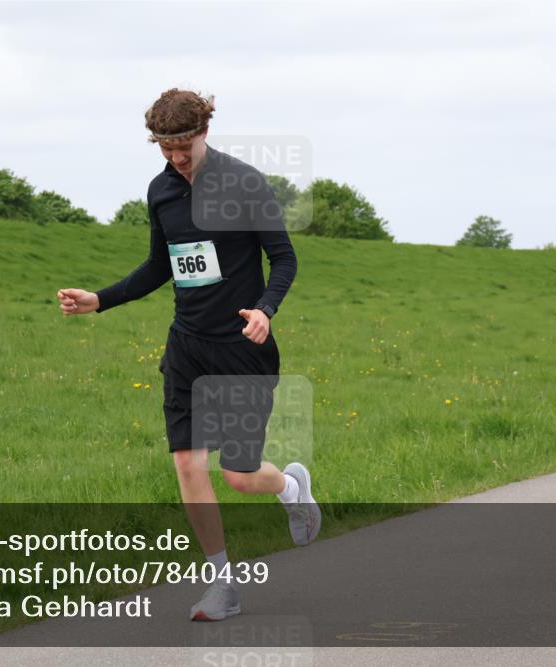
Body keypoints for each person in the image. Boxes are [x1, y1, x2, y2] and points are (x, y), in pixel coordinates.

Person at [57, 88, 320, 622]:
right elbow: (161, 265)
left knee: (240, 476)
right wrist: (101, 299)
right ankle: (222, 585)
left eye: (184, 145)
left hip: (242, 350)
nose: (176, 157)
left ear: (205, 131)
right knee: (187, 463)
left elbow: (284, 260)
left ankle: (291, 486)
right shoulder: (161, 192)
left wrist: (265, 309)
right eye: (165, 147)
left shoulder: (245, 183)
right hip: (187, 348)